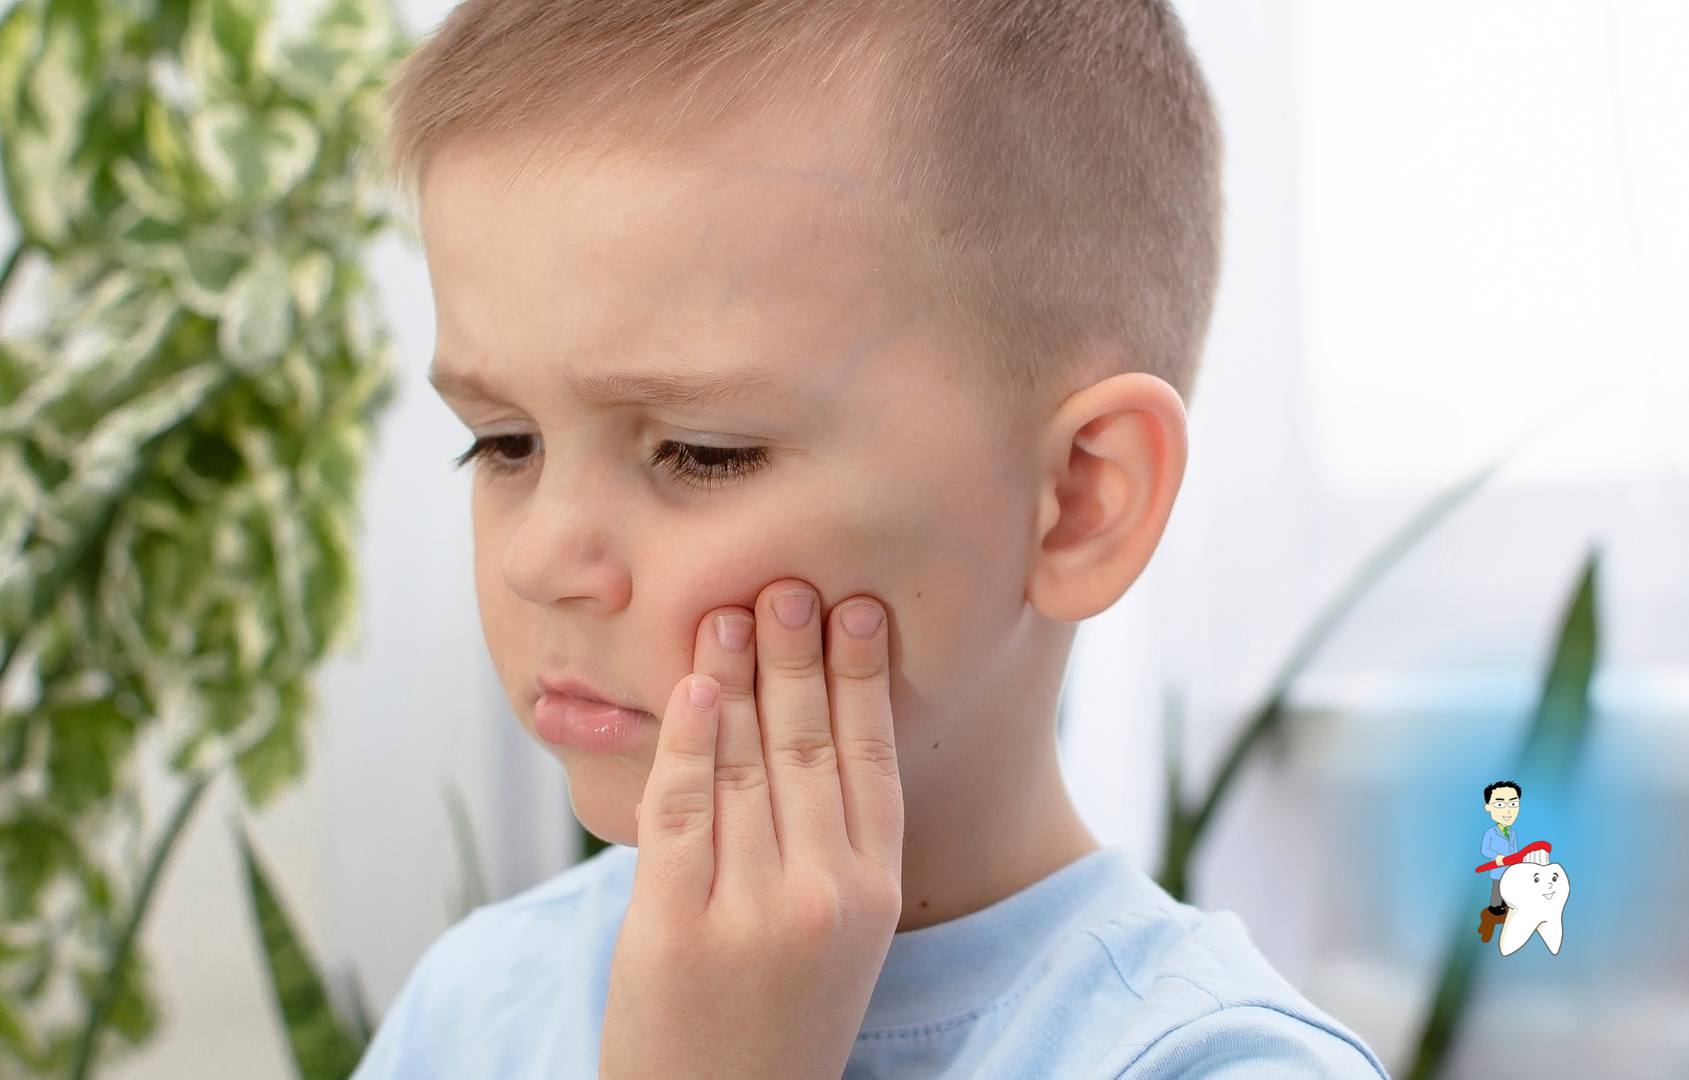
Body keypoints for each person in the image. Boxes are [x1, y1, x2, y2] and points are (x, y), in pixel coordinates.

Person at [354, 1, 1385, 1077]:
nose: (535, 561)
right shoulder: (471, 1009)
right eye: (504, 444)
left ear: (1081, 501)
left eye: (700, 453)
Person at [1479, 780, 1524, 939]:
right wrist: (1496, 856)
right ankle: (1492, 915)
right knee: (1496, 895)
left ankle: (1508, 914)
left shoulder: (1512, 833)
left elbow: (1515, 850)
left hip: (1511, 870)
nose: (1507, 810)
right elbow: (1485, 849)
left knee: (1510, 893)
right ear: (1488, 807)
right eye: (1499, 805)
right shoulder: (1490, 833)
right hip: (1498, 870)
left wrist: (1519, 861)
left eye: (1513, 804)